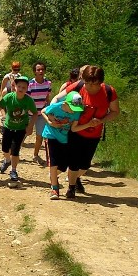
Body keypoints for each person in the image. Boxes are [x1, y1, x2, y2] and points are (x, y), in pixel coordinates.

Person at [51, 65, 120, 199]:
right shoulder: (78, 86)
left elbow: (115, 111)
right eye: (88, 83)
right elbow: (57, 99)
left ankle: (74, 178)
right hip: (75, 130)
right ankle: (71, 188)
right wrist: (53, 112)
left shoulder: (109, 91)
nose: (90, 87)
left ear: (101, 82)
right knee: (74, 162)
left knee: (85, 165)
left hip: (94, 133)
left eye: (94, 84)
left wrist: (101, 121)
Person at [0, 76, 38, 187]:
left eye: (23, 87)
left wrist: (30, 126)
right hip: (8, 127)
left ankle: (14, 170)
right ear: (14, 86)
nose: (21, 89)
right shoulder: (9, 97)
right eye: (19, 86)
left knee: (15, 150)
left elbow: (35, 113)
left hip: (21, 129)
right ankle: (7, 160)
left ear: (27, 88)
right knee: (5, 148)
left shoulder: (28, 100)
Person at [41, 91, 85, 200]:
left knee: (64, 165)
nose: (73, 111)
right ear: (65, 103)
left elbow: (73, 128)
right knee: (54, 162)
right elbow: (43, 111)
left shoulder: (76, 112)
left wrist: (88, 125)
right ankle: (54, 188)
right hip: (51, 135)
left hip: (64, 139)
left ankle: (52, 176)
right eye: (72, 108)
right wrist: (50, 123)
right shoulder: (56, 107)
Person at [27, 62, 53, 165]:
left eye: (42, 69)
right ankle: (14, 153)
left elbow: (47, 98)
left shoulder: (48, 84)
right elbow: (27, 99)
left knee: (39, 136)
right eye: (38, 70)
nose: (41, 71)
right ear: (34, 72)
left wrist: (49, 110)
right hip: (30, 114)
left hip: (41, 114)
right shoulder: (30, 84)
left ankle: (35, 155)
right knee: (24, 133)